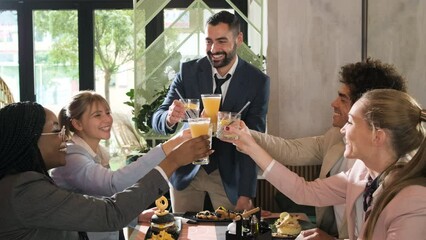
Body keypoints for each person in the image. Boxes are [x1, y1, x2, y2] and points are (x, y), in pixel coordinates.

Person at [223, 89, 426, 239]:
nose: (343, 130)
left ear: (377, 136)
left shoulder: (413, 200)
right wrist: (250, 147)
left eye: (351, 122)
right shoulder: (362, 172)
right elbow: (305, 191)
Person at [0, 101, 211, 240]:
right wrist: (171, 160)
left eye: (107, 112)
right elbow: (111, 207)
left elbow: (76, 211)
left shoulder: (20, 184)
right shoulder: (24, 189)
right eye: (57, 131)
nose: (64, 137)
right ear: (29, 139)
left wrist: (134, 218)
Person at [248, 58, 407, 238]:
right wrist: (246, 138)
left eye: (343, 99)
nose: (333, 103)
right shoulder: (358, 171)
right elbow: (303, 187)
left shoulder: (408, 194)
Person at [151, 11, 270, 212]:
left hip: (228, 177)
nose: (214, 49)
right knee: (184, 232)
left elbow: (254, 139)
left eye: (221, 41)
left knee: (229, 234)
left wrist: (246, 193)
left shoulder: (257, 82)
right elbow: (157, 118)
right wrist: (169, 118)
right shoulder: (188, 72)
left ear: (238, 39)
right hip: (185, 170)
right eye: (209, 41)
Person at [50, 90, 191, 240]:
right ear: (77, 123)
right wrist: (174, 143)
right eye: (97, 115)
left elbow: (101, 201)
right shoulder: (72, 159)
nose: (107, 119)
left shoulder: (95, 153)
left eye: (107, 112)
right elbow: (113, 184)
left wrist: (135, 217)